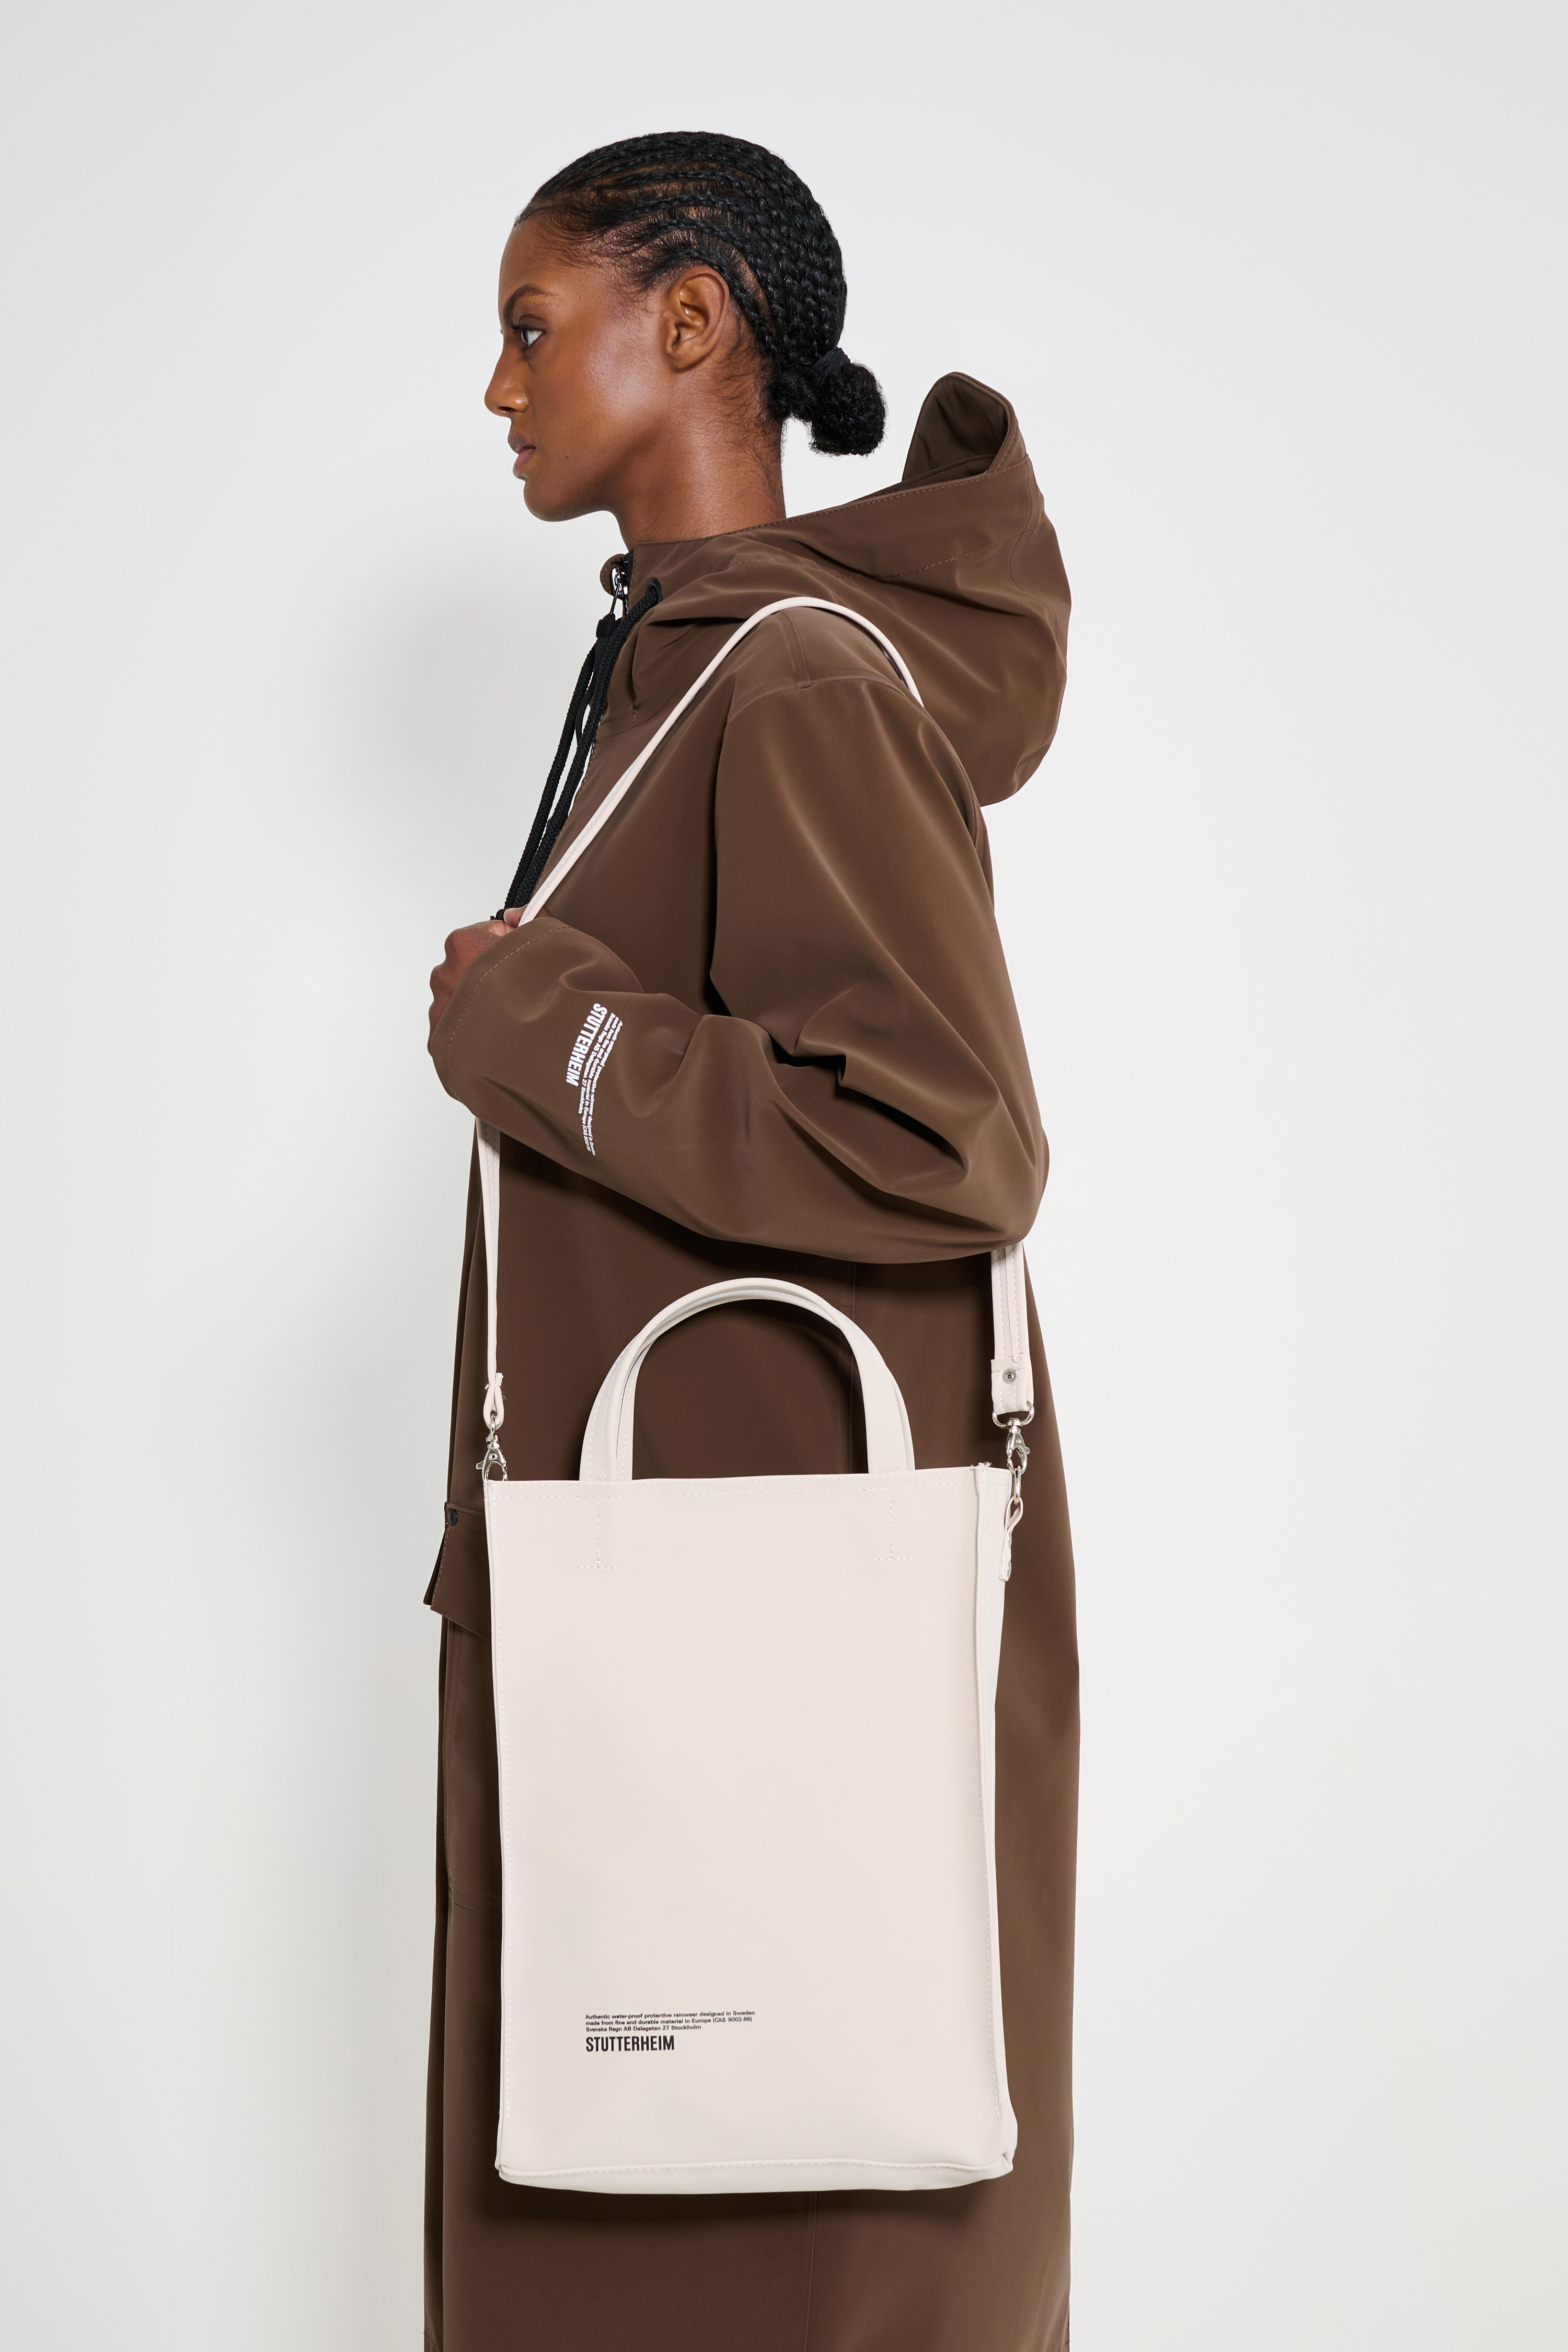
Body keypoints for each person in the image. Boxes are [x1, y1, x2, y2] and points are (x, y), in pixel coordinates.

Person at [423, 130, 1077, 2352]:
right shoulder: (680, 667)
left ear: (691, 321)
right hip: (705, 1604)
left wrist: (549, 1036)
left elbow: (945, 1136)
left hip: (759, 1633)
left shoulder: (786, 677)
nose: (499, 387)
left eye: (533, 328)